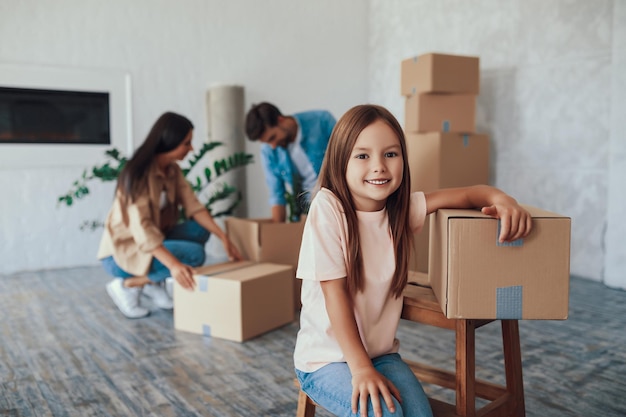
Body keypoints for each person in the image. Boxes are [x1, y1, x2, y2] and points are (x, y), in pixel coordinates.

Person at [293, 104, 533, 417]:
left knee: (421, 414)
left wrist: (503, 200)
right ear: (341, 161)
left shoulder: (399, 210)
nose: (379, 166)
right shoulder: (328, 208)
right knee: (387, 414)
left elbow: (469, 194)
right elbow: (334, 296)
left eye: (390, 154)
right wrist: (362, 369)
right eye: (362, 155)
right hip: (326, 360)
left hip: (380, 354)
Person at [97, 111, 242, 319]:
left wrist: (224, 238)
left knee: (199, 229)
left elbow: (194, 206)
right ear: (169, 141)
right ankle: (127, 285)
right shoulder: (137, 175)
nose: (191, 149)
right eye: (187, 143)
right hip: (122, 253)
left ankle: (153, 282)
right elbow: (143, 230)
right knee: (195, 255)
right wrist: (174, 265)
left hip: (149, 242)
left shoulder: (172, 170)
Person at [245, 102, 336, 222]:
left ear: (280, 120)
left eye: (272, 137)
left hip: (337, 202)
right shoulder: (268, 151)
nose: (272, 146)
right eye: (267, 142)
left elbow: (348, 159)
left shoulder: (322, 121)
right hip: (307, 215)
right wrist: (279, 234)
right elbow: (277, 195)